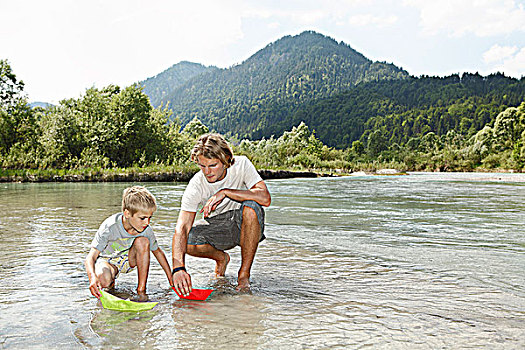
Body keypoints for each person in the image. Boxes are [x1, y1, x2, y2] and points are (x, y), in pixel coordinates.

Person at [171, 133, 271, 295]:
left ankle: (243, 275)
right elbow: (181, 228)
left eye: (212, 165)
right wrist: (178, 269)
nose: (207, 172)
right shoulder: (196, 184)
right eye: (202, 166)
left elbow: (265, 198)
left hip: (246, 224)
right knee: (186, 240)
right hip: (218, 228)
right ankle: (221, 258)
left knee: (251, 206)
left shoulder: (242, 164)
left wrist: (225, 192)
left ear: (225, 160)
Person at [85, 185, 173, 300]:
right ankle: (111, 289)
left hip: (129, 259)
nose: (147, 222)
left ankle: (141, 291)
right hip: (109, 261)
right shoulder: (109, 227)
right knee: (103, 277)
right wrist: (92, 278)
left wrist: (171, 280)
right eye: (142, 218)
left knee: (143, 242)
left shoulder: (146, 230)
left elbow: (158, 253)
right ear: (127, 213)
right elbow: (90, 258)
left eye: (149, 218)